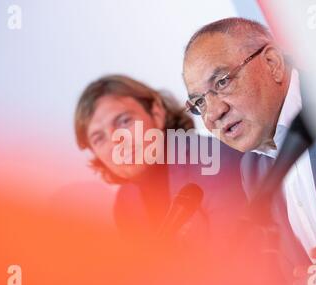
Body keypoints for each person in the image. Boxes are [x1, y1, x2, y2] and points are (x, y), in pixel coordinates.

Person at [182, 17, 316, 285]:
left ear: (272, 63)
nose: (213, 114)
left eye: (222, 82)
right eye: (200, 102)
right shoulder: (252, 170)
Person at [74, 74, 248, 259]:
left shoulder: (215, 163)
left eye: (124, 121)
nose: (116, 141)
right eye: (99, 138)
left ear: (156, 113)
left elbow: (235, 267)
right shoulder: (126, 203)